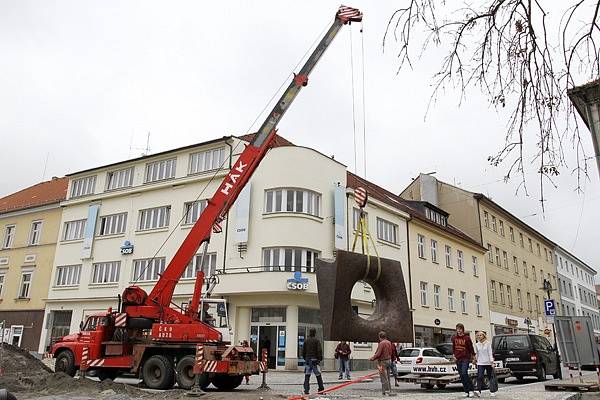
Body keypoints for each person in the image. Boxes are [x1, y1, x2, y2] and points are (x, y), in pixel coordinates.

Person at [452, 323, 476, 398]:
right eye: (457, 329)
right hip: (458, 358)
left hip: (465, 358)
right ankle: (466, 391)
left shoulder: (467, 338)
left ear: (463, 329)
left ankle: (471, 390)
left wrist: (473, 356)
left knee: (464, 372)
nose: (459, 330)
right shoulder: (454, 338)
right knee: (461, 375)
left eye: (460, 329)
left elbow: (471, 348)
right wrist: (453, 355)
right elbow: (453, 347)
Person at [370, 331, 396, 397]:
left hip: (383, 362)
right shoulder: (389, 342)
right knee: (388, 376)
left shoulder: (381, 343)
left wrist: (372, 358)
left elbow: (378, 353)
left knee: (383, 377)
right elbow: (391, 352)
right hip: (389, 361)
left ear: (379, 337)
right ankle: (385, 391)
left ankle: (387, 391)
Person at [301, 328, 324, 395]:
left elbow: (303, 351)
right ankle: (321, 389)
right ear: (315, 333)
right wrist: (319, 359)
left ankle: (306, 390)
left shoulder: (306, 341)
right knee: (318, 376)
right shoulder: (317, 341)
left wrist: (305, 358)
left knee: (307, 376)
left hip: (308, 360)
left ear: (309, 332)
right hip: (315, 360)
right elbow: (319, 350)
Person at [474, 331, 497, 397]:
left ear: (483, 336)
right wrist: (475, 360)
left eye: (480, 335)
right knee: (480, 376)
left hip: (488, 363)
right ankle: (479, 391)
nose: (479, 336)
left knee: (490, 377)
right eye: (478, 335)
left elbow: (490, 353)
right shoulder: (477, 344)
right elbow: (477, 354)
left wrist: (492, 362)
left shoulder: (488, 343)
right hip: (480, 363)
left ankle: (492, 391)